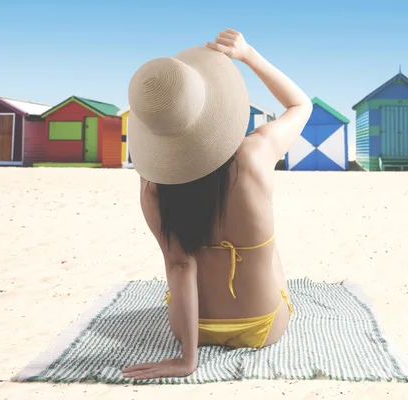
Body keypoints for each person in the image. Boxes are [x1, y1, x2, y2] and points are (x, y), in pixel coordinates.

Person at [121, 29, 312, 380]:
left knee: (181, 259)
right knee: (269, 250)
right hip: (263, 325)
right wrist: (249, 54)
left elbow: (181, 267)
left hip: (191, 329)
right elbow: (301, 104)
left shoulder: (152, 186)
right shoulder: (256, 153)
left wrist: (188, 359)